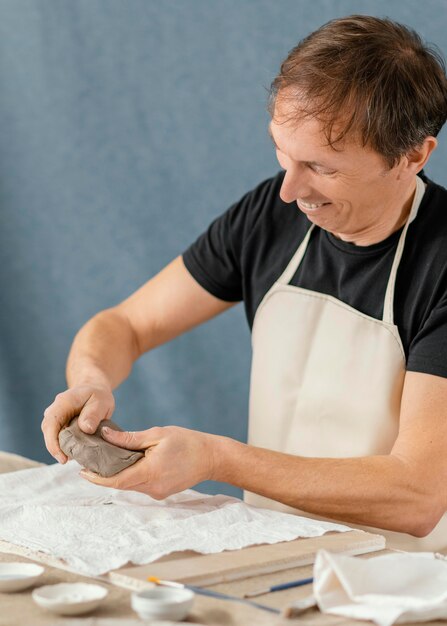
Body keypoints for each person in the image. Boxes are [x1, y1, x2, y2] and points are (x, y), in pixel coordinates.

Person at [42, 15, 447, 551]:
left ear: (413, 156)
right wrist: (90, 380)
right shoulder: (270, 216)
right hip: (274, 557)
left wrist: (215, 458)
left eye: (322, 168)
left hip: (408, 580)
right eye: (283, 153)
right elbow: (125, 325)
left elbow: (416, 494)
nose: (289, 189)